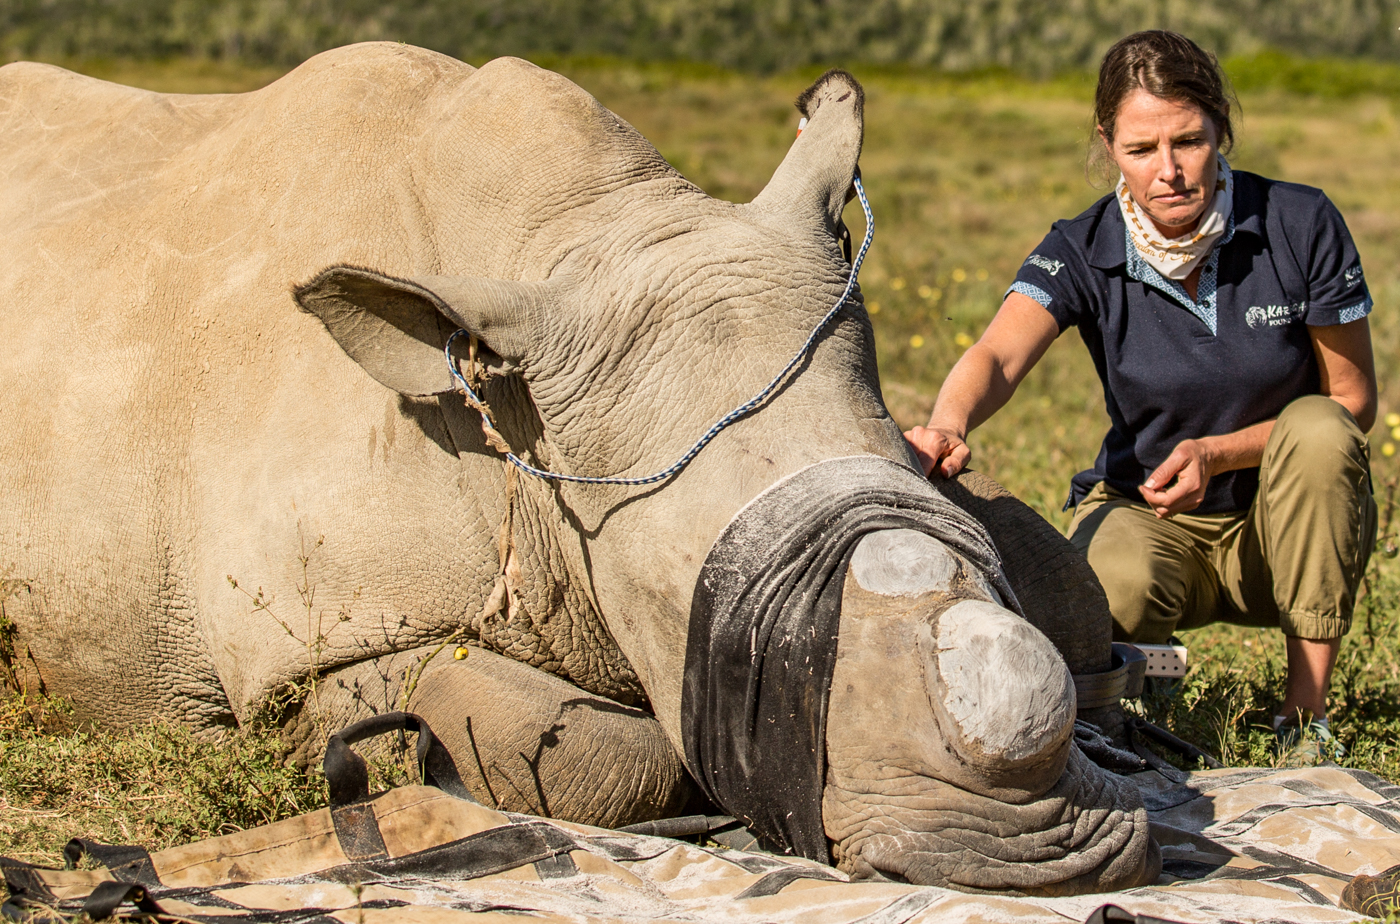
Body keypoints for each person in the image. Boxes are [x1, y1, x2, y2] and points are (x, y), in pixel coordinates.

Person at [904, 30, 1377, 757]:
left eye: (1189, 142)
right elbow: (998, 353)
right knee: (1101, 587)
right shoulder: (1081, 247)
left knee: (1318, 429)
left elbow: (1352, 401)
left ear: (1221, 124)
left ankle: (1303, 720)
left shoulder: (1298, 222)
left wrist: (1218, 455)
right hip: (1151, 514)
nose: (1170, 172)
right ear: (1106, 143)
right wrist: (947, 422)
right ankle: (1140, 679)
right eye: (1141, 150)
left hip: (1279, 527)